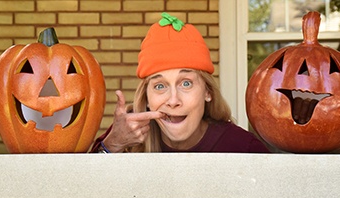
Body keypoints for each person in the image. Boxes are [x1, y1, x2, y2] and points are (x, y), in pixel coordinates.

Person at [91, 12, 270, 153]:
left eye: (186, 83)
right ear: (146, 98)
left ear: (207, 92)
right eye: (160, 86)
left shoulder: (244, 148)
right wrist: (112, 145)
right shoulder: (124, 137)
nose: (173, 100)